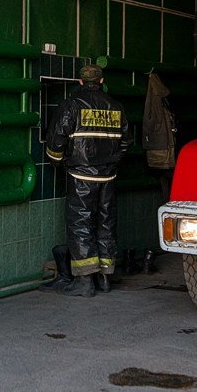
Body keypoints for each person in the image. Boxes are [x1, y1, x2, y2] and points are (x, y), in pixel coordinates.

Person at [44, 63, 132, 295]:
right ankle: (105, 278)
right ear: (101, 81)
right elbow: (126, 142)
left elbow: (56, 141)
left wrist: (58, 161)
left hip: (80, 176)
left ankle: (84, 281)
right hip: (108, 177)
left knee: (81, 224)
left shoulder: (71, 105)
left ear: (81, 82)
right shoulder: (116, 106)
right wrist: (111, 162)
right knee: (106, 224)